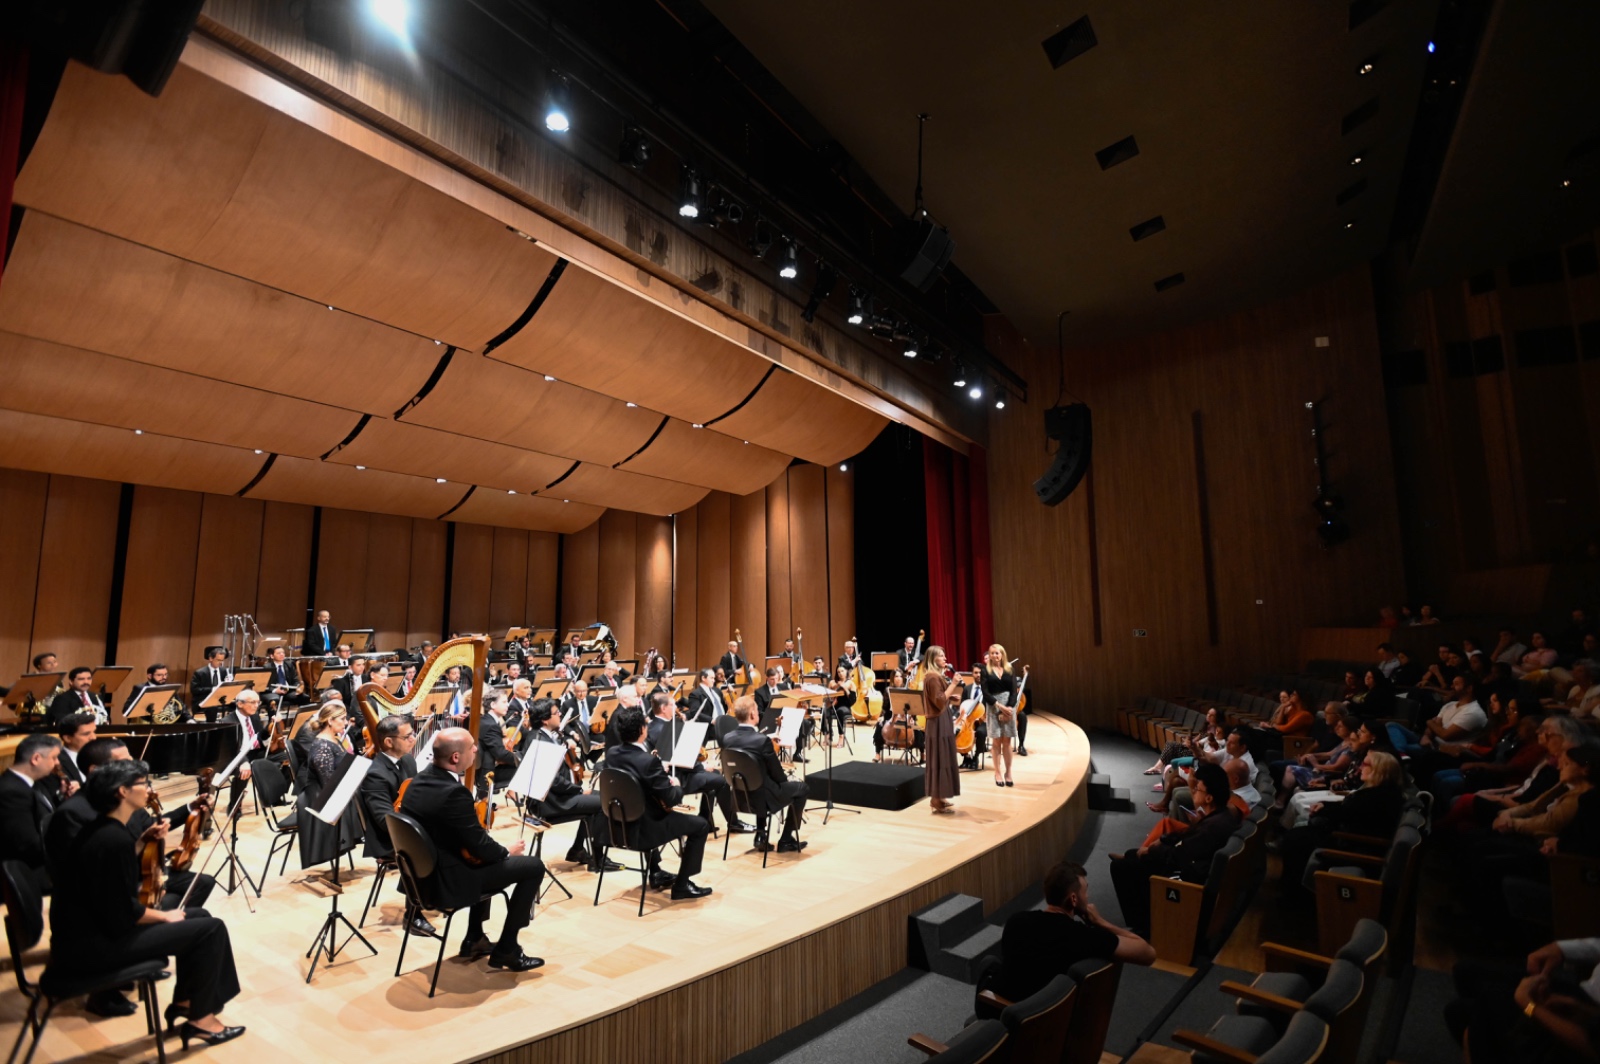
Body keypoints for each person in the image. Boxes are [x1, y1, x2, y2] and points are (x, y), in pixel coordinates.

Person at [52, 760, 244, 1047]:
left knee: (200, 915)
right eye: (143, 784)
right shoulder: (111, 840)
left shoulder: (103, 828)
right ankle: (202, 1021)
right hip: (92, 947)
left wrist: (141, 843)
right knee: (210, 928)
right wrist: (164, 917)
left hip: (91, 934)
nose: (149, 789)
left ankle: (188, 1001)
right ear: (122, 792)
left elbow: (111, 886)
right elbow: (120, 914)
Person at [396, 728, 544, 970]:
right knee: (533, 866)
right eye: (472, 747)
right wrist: (507, 851)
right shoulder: (454, 793)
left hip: (420, 880)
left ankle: (475, 938)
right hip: (447, 882)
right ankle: (508, 949)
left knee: (483, 857)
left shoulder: (416, 782)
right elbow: (480, 846)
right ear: (456, 757)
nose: (476, 750)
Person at [990, 862, 1155, 1003]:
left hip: (1006, 1009)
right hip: (1047, 1017)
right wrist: (1100, 922)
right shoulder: (1082, 937)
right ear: (1074, 899)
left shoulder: (1016, 921)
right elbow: (1147, 953)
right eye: (1086, 891)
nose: (1088, 896)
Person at [1108, 761, 1238, 939]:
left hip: (1188, 880)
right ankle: (1131, 858)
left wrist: (1153, 850)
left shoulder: (1212, 827)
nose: (1193, 791)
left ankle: (1144, 926)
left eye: (1198, 789)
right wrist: (1162, 842)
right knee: (1134, 855)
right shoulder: (1220, 816)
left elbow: (1180, 855)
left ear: (1209, 798)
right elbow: (1187, 842)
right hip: (1193, 866)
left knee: (1122, 867)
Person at [604, 705, 714, 897]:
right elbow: (671, 799)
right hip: (647, 829)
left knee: (645, 807)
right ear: (641, 731)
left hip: (618, 827)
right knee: (701, 825)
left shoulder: (611, 754)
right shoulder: (647, 761)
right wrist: (677, 784)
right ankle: (682, 884)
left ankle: (655, 871)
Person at [1446, 937, 1600, 1062]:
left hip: (1580, 1040)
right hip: (1587, 1003)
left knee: (1470, 1009)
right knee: (1464, 973)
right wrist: (1581, 1008)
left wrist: (1529, 1005)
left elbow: (1590, 1045)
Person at [1278, 750, 1404, 889]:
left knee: (1294, 839)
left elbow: (1348, 812)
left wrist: (1324, 809)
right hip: (1349, 837)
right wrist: (1324, 805)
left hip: (1353, 846)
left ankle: (1294, 891)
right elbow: (1348, 809)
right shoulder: (1381, 791)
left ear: (1379, 770)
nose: (1360, 767)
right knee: (1298, 833)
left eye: (1365, 764)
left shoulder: (1377, 797)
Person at [526, 699, 618, 873]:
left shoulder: (543, 735)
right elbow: (553, 781)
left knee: (599, 796)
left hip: (554, 797)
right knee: (602, 802)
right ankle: (597, 860)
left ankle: (578, 850)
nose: (560, 714)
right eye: (556, 712)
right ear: (545, 719)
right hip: (550, 802)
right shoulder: (539, 741)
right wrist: (580, 790)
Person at [646, 691, 749, 835]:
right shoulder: (666, 729)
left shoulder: (652, 726)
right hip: (677, 778)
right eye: (672, 704)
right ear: (663, 708)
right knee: (722, 781)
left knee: (714, 777)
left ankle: (706, 821)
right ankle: (734, 823)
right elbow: (677, 759)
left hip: (675, 773)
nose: (676, 706)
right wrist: (702, 766)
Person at [720, 696, 809, 853]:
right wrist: (787, 780)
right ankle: (786, 840)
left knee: (758, 778)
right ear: (753, 714)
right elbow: (778, 776)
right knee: (802, 788)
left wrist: (766, 739)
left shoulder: (727, 738)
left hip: (740, 797)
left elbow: (745, 745)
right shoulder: (761, 741)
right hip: (764, 799)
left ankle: (761, 835)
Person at [296, 703, 362, 871]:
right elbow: (328, 781)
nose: (346, 722)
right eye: (342, 719)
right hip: (319, 798)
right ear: (330, 721)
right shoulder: (322, 746)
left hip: (332, 788)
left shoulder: (334, 738)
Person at [0, 733, 63, 886]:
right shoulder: (12, 792)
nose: (57, 763)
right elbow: (26, 845)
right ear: (36, 759)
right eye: (54, 758)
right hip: (28, 875)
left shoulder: (31, 782)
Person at [920, 645, 963, 813]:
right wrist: (953, 684)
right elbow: (938, 701)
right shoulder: (932, 677)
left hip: (942, 718)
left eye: (945, 655)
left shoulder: (936, 677)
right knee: (938, 757)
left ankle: (939, 797)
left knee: (942, 756)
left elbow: (939, 699)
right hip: (937, 722)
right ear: (932, 659)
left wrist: (949, 696)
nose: (945, 658)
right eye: (941, 656)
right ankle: (935, 799)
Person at [982, 644, 1019, 787]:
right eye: (992, 653)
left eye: (997, 653)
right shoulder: (986, 670)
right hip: (993, 706)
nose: (994, 656)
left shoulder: (1010, 669)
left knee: (1007, 742)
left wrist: (1009, 708)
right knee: (996, 741)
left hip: (1009, 706)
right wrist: (999, 706)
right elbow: (985, 693)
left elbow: (1014, 691)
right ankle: (997, 772)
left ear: (1002, 654)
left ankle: (1008, 772)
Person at [475, 692, 519, 801]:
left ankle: (511, 792)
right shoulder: (491, 725)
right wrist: (520, 758)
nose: (507, 705)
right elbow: (500, 754)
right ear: (493, 705)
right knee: (526, 767)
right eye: (504, 702)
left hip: (482, 768)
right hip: (488, 773)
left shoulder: (486, 720)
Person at [189, 647, 232, 722]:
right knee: (212, 707)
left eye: (222, 660)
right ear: (211, 659)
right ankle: (212, 727)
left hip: (220, 699)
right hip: (203, 700)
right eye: (218, 660)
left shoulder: (223, 671)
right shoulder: (200, 673)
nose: (220, 663)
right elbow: (194, 690)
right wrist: (212, 689)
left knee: (238, 703)